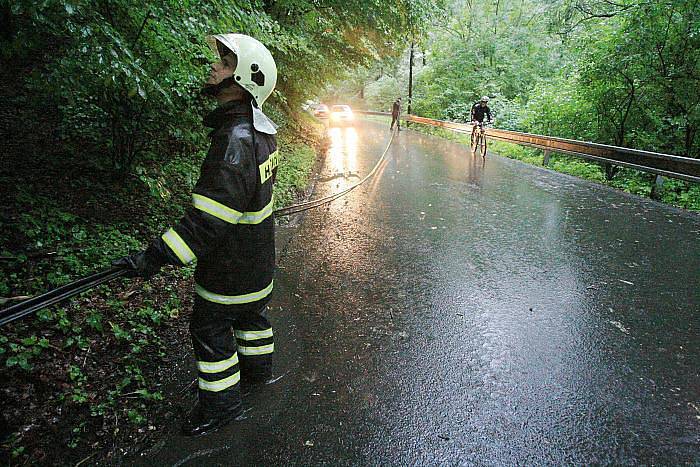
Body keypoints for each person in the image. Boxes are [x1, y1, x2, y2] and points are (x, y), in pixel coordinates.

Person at [113, 33, 279, 437]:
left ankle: (222, 406)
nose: (214, 68)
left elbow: (206, 224)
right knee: (252, 317)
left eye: (224, 64)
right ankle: (258, 372)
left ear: (242, 80)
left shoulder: (233, 142)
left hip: (229, 273)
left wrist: (153, 257)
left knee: (211, 329)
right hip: (258, 267)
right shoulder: (262, 132)